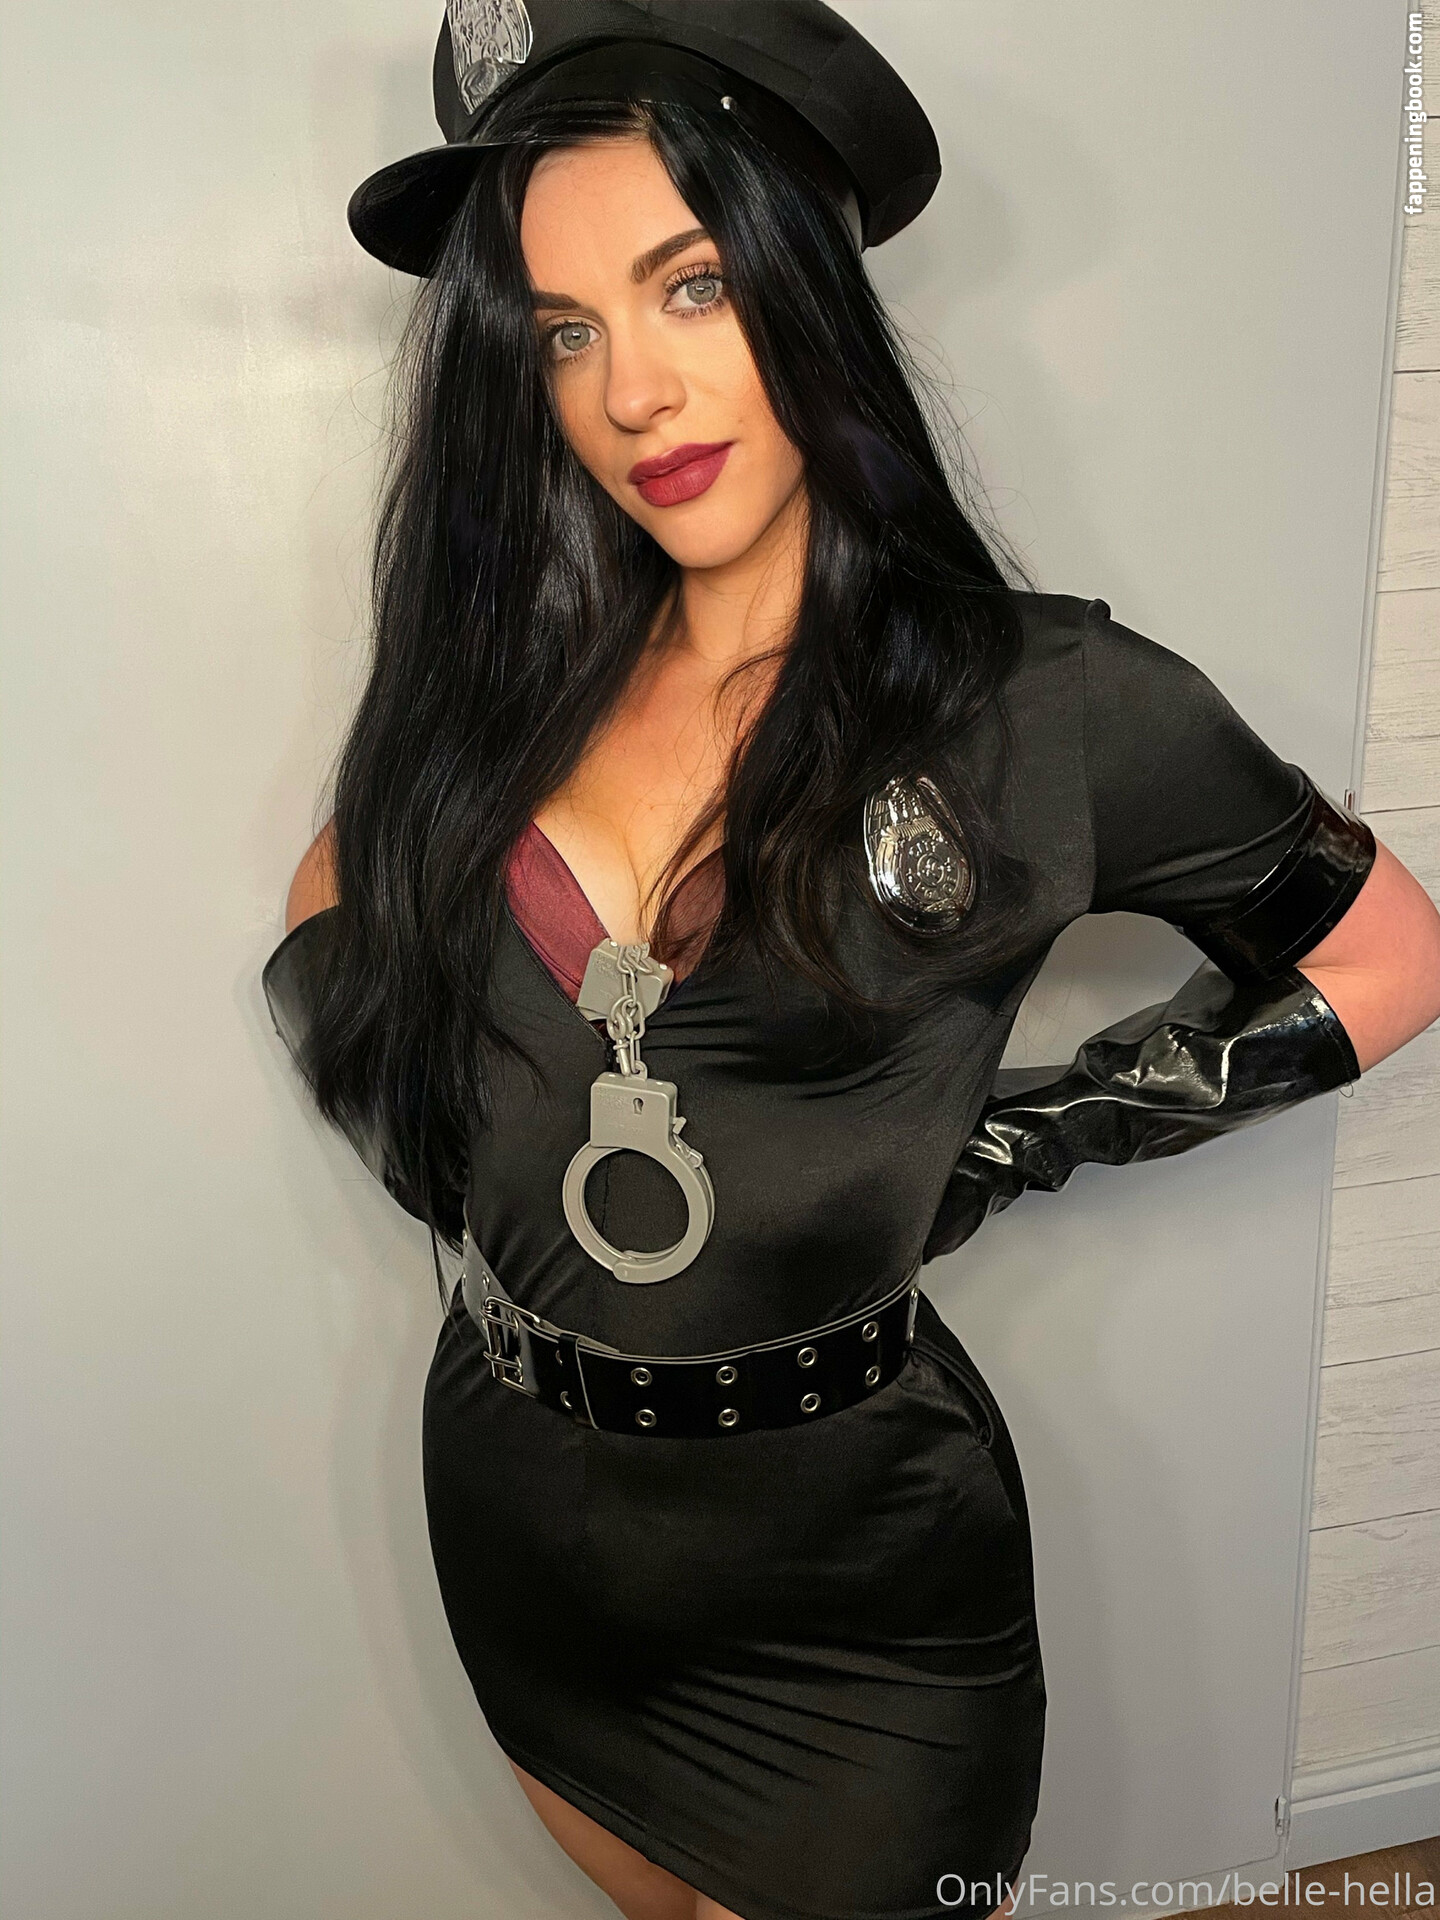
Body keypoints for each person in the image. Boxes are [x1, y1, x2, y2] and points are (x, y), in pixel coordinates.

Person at [263, 6, 1440, 1918]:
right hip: (524, 1538)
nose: (634, 392)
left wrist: (1026, 1140)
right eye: (564, 332)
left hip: (856, 1614)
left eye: (692, 285)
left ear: (804, 277)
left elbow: (1391, 958)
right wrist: (447, 1126)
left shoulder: (1051, 702)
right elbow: (338, 883)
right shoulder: (514, 691)